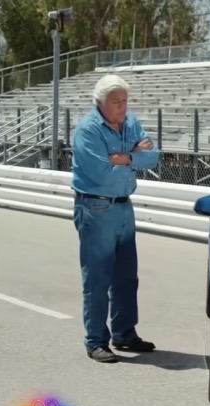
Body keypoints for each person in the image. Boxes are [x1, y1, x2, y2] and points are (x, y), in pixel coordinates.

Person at [71, 74, 161, 363]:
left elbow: (154, 157)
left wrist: (121, 158)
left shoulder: (131, 121)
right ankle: (96, 340)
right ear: (100, 102)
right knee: (97, 278)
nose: (123, 107)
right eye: (116, 102)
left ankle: (124, 333)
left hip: (124, 206)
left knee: (126, 276)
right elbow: (101, 175)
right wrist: (134, 156)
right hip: (96, 208)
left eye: (125, 100)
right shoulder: (88, 130)